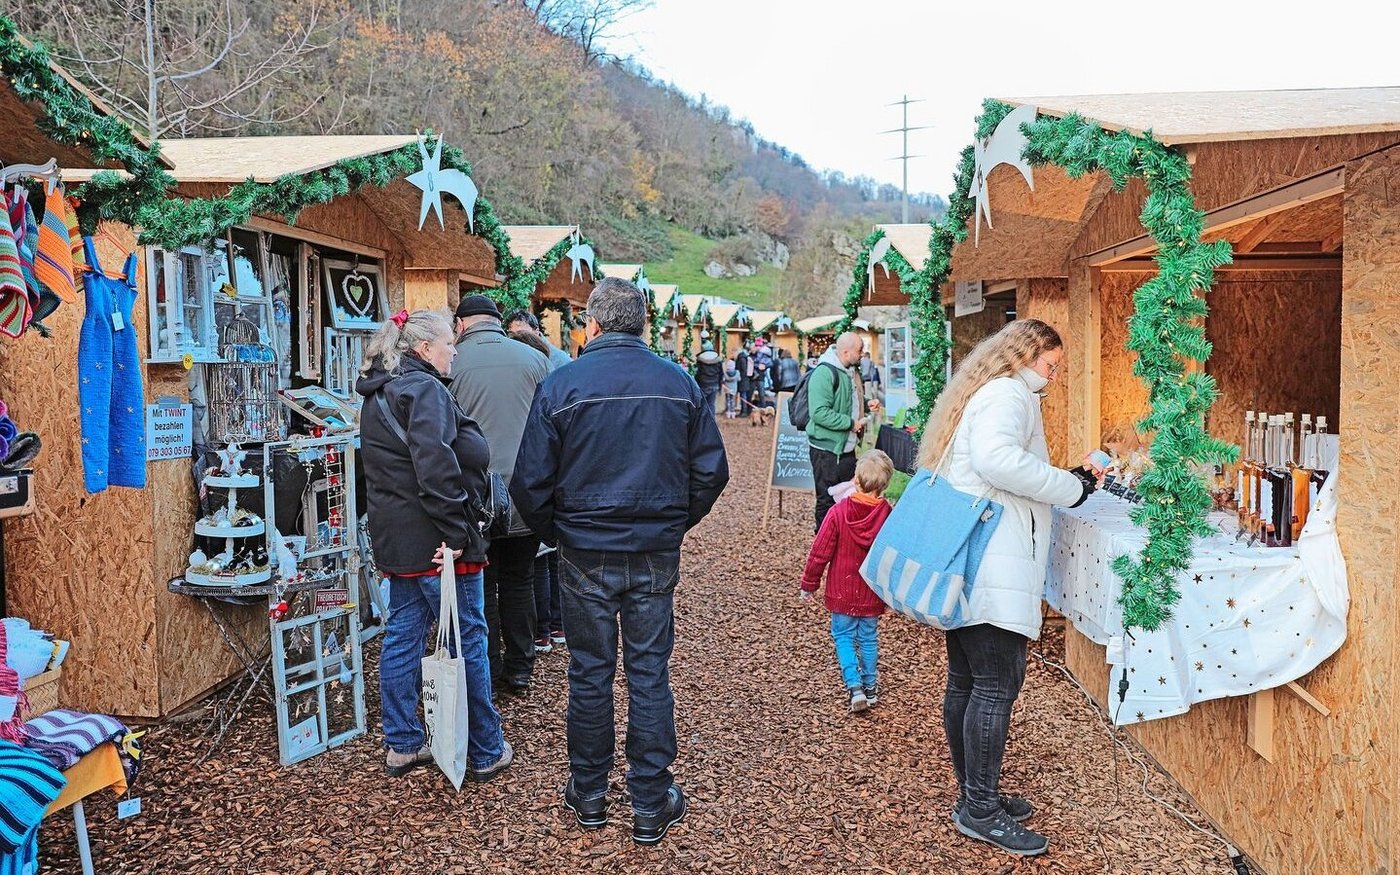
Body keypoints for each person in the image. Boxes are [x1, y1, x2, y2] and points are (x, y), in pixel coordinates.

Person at [512, 277, 729, 846]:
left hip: (588, 547)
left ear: (593, 324)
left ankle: (590, 793)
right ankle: (649, 800)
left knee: (590, 672)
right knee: (648, 670)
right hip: (648, 548)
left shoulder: (563, 384)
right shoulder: (676, 382)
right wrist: (672, 522)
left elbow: (529, 482)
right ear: (642, 324)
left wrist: (562, 533)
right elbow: (710, 471)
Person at [916, 318, 1100, 858]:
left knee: (967, 681)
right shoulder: (1008, 393)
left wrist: (1061, 478)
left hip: (972, 563)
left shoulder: (989, 389)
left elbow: (996, 464)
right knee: (996, 685)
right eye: (1051, 365)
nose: (1054, 376)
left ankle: (976, 793)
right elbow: (997, 461)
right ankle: (979, 808)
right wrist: (1071, 486)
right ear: (1027, 354)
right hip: (993, 564)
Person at [356, 308, 512, 781]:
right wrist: (458, 534)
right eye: (448, 344)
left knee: (403, 635)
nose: (454, 352)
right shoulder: (423, 390)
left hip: (400, 541)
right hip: (439, 543)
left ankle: (403, 744)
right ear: (425, 349)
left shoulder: (380, 391)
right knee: (468, 639)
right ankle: (484, 748)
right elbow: (436, 469)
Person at [450, 294, 550, 696]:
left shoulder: (451, 361)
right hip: (525, 490)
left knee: (483, 585)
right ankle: (521, 667)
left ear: (461, 324)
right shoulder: (535, 359)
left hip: (474, 494)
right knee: (520, 580)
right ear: (496, 320)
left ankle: (487, 670)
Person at [800, 449, 894, 713]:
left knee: (843, 636)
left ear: (856, 479)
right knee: (868, 638)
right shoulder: (888, 516)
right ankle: (871, 688)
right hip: (871, 592)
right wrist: (892, 593)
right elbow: (893, 557)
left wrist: (809, 584)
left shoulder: (838, 512)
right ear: (885, 484)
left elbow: (820, 552)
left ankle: (854, 687)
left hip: (842, 590)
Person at [806, 332, 866, 531]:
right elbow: (819, 413)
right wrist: (850, 423)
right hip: (827, 450)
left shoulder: (850, 370)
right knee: (826, 499)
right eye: (859, 350)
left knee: (846, 498)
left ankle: (840, 541)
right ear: (846, 352)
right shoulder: (824, 373)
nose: (863, 354)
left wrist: (866, 404)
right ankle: (822, 543)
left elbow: (847, 402)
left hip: (846, 448)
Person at [506, 309, 572, 371]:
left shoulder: (559, 359)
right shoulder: (512, 355)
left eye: (522, 334)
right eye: (512, 335)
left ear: (536, 332)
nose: (517, 340)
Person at [694, 342, 723, 415]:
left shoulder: (700, 359)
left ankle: (703, 421)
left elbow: (697, 373)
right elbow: (721, 373)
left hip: (703, 385)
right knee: (711, 405)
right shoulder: (717, 359)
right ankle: (711, 420)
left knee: (703, 405)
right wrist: (720, 386)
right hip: (714, 384)